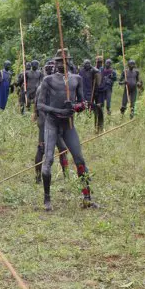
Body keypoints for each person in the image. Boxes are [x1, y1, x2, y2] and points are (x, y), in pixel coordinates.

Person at [35, 52, 96, 211]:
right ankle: (47, 200)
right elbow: (40, 105)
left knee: (80, 160)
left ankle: (87, 198)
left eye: (64, 61)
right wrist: (57, 110)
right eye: (58, 61)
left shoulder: (77, 79)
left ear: (69, 61)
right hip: (52, 124)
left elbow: (83, 103)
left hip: (68, 125)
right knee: (48, 160)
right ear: (55, 63)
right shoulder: (48, 80)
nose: (61, 64)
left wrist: (75, 107)